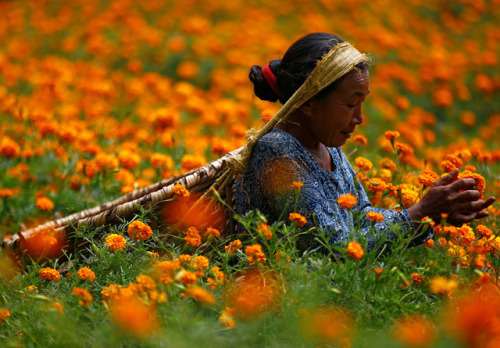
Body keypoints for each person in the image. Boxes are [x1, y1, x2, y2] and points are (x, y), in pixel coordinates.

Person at [235, 33, 495, 251]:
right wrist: (420, 213)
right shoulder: (277, 150)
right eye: (350, 104)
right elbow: (336, 248)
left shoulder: (325, 146)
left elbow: (362, 219)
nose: (359, 118)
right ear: (309, 102)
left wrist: (432, 215)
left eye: (362, 103)